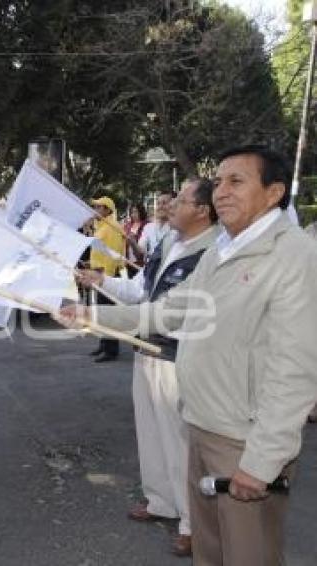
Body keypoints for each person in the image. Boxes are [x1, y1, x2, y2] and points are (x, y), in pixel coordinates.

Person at [62, 145, 317, 566]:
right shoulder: (222, 249)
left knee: (248, 555)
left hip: (244, 442)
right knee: (210, 552)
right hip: (202, 426)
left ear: (273, 193)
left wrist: (263, 460)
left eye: (237, 181)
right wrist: (91, 314)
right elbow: (169, 309)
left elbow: (297, 370)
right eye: (218, 181)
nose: (222, 191)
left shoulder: (294, 257)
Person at [77, 178, 218, 557]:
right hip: (147, 353)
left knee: (183, 446)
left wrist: (91, 315)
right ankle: (161, 502)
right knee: (152, 435)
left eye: (181, 200)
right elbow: (142, 291)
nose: (170, 206)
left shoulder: (212, 253)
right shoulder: (169, 244)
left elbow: (167, 315)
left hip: (180, 360)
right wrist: (101, 280)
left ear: (203, 211)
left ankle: (193, 523)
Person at [88, 196, 123, 362]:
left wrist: (105, 276)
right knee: (101, 311)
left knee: (109, 312)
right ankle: (104, 344)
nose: (95, 209)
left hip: (106, 275)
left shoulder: (112, 226)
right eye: (95, 207)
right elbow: (98, 251)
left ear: (108, 210)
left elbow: (113, 253)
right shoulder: (101, 226)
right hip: (98, 274)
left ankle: (111, 350)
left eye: (99, 207)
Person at [123, 201, 149, 276]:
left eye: (136, 212)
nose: (133, 215)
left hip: (140, 261)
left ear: (141, 212)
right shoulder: (128, 225)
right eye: (132, 212)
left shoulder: (146, 225)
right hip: (128, 260)